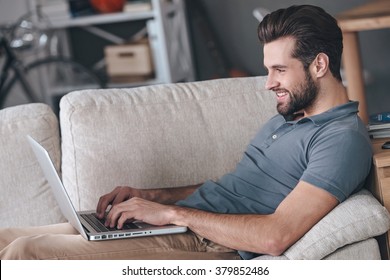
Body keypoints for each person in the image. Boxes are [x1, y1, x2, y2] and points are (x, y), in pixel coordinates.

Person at [0, 5, 372, 260]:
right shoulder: (287, 117)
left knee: (25, 253)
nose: (268, 83)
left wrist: (171, 214)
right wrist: (152, 197)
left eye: (279, 70)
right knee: (6, 239)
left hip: (204, 243)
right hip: (185, 222)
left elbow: (274, 236)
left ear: (319, 64)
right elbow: (229, 190)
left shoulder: (340, 139)